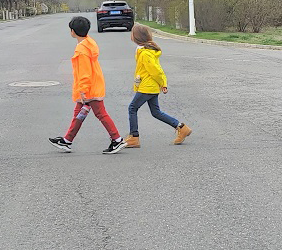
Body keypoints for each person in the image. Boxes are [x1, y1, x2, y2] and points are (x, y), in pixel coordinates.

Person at [49, 16, 126, 154]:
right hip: (93, 85)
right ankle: (67, 140)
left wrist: (83, 90)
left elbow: (85, 72)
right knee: (79, 114)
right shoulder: (88, 43)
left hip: (89, 89)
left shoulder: (82, 50)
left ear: (72, 31)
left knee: (101, 114)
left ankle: (117, 139)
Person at [123, 24, 191, 148]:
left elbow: (156, 71)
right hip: (150, 86)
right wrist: (162, 83)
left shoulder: (145, 53)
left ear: (136, 37)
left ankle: (134, 137)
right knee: (156, 112)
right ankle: (181, 127)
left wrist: (163, 83)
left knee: (132, 108)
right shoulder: (143, 50)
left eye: (132, 33)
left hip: (147, 87)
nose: (130, 35)